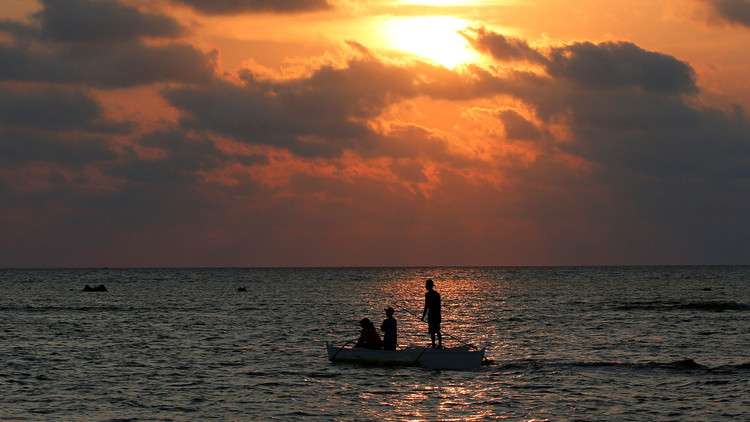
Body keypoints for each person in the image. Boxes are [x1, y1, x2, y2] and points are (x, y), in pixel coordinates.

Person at [420, 278, 442, 348]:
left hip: (433, 315)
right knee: (436, 330)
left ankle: (435, 344)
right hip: (436, 314)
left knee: (434, 331)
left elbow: (426, 306)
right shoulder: (437, 294)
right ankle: (438, 344)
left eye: (426, 285)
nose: (425, 287)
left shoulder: (429, 295)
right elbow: (439, 306)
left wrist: (423, 317)